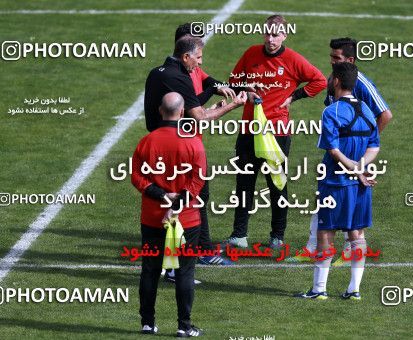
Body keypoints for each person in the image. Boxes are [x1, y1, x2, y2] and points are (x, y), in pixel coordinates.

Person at [225, 14, 327, 249]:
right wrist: (247, 88)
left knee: (277, 184)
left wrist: (294, 96)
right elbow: (233, 80)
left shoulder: (292, 59)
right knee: (244, 183)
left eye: (276, 34)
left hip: (276, 133)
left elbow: (319, 80)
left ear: (284, 35)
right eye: (267, 33)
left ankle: (277, 236)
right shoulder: (251, 53)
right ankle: (239, 235)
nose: (271, 39)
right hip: (249, 130)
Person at [287, 37, 392, 264]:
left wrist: (362, 150)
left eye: (337, 58)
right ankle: (313, 247)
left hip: (354, 156)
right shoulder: (334, 80)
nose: (332, 62)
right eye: (331, 57)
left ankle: (345, 252)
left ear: (350, 60)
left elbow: (385, 115)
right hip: (340, 154)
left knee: (348, 203)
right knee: (326, 200)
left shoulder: (361, 83)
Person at [295, 62, 380, 300]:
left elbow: (333, 151)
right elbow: (375, 146)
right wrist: (361, 168)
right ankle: (354, 290)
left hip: (334, 183)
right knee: (357, 235)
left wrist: (353, 168)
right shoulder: (367, 109)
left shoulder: (331, 111)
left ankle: (318, 289)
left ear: (336, 82)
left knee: (325, 233)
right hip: (360, 186)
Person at [163, 25, 237, 287]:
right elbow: (198, 110)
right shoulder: (179, 77)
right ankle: (198, 253)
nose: (200, 61)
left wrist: (225, 87)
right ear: (185, 52)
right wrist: (230, 102)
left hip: (191, 142)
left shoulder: (189, 70)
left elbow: (208, 82)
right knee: (192, 198)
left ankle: (189, 253)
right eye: (198, 55)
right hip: (184, 146)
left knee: (194, 197)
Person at [132, 92, 206, 336]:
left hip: (153, 218)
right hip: (187, 219)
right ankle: (184, 327)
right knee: (185, 271)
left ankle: (147, 323)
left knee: (150, 269)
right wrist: (177, 204)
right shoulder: (193, 141)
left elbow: (137, 177)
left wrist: (162, 195)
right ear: (182, 112)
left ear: (160, 111)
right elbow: (197, 181)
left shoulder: (147, 142)